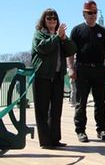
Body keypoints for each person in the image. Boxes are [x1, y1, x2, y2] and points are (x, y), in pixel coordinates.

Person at [31, 8, 77, 149]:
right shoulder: (39, 34)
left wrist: (63, 39)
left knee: (56, 110)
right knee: (42, 110)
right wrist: (57, 37)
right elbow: (43, 48)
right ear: (44, 20)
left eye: (54, 18)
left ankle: (55, 139)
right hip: (42, 77)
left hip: (57, 77)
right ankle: (45, 142)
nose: (52, 21)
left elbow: (72, 50)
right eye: (49, 18)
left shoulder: (60, 35)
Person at [67, 0, 105, 143]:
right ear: (84, 14)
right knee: (81, 101)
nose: (93, 15)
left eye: (95, 12)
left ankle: (101, 129)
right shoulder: (77, 30)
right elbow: (70, 52)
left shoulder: (103, 32)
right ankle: (80, 130)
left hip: (99, 69)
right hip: (82, 69)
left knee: (100, 102)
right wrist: (71, 68)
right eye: (89, 13)